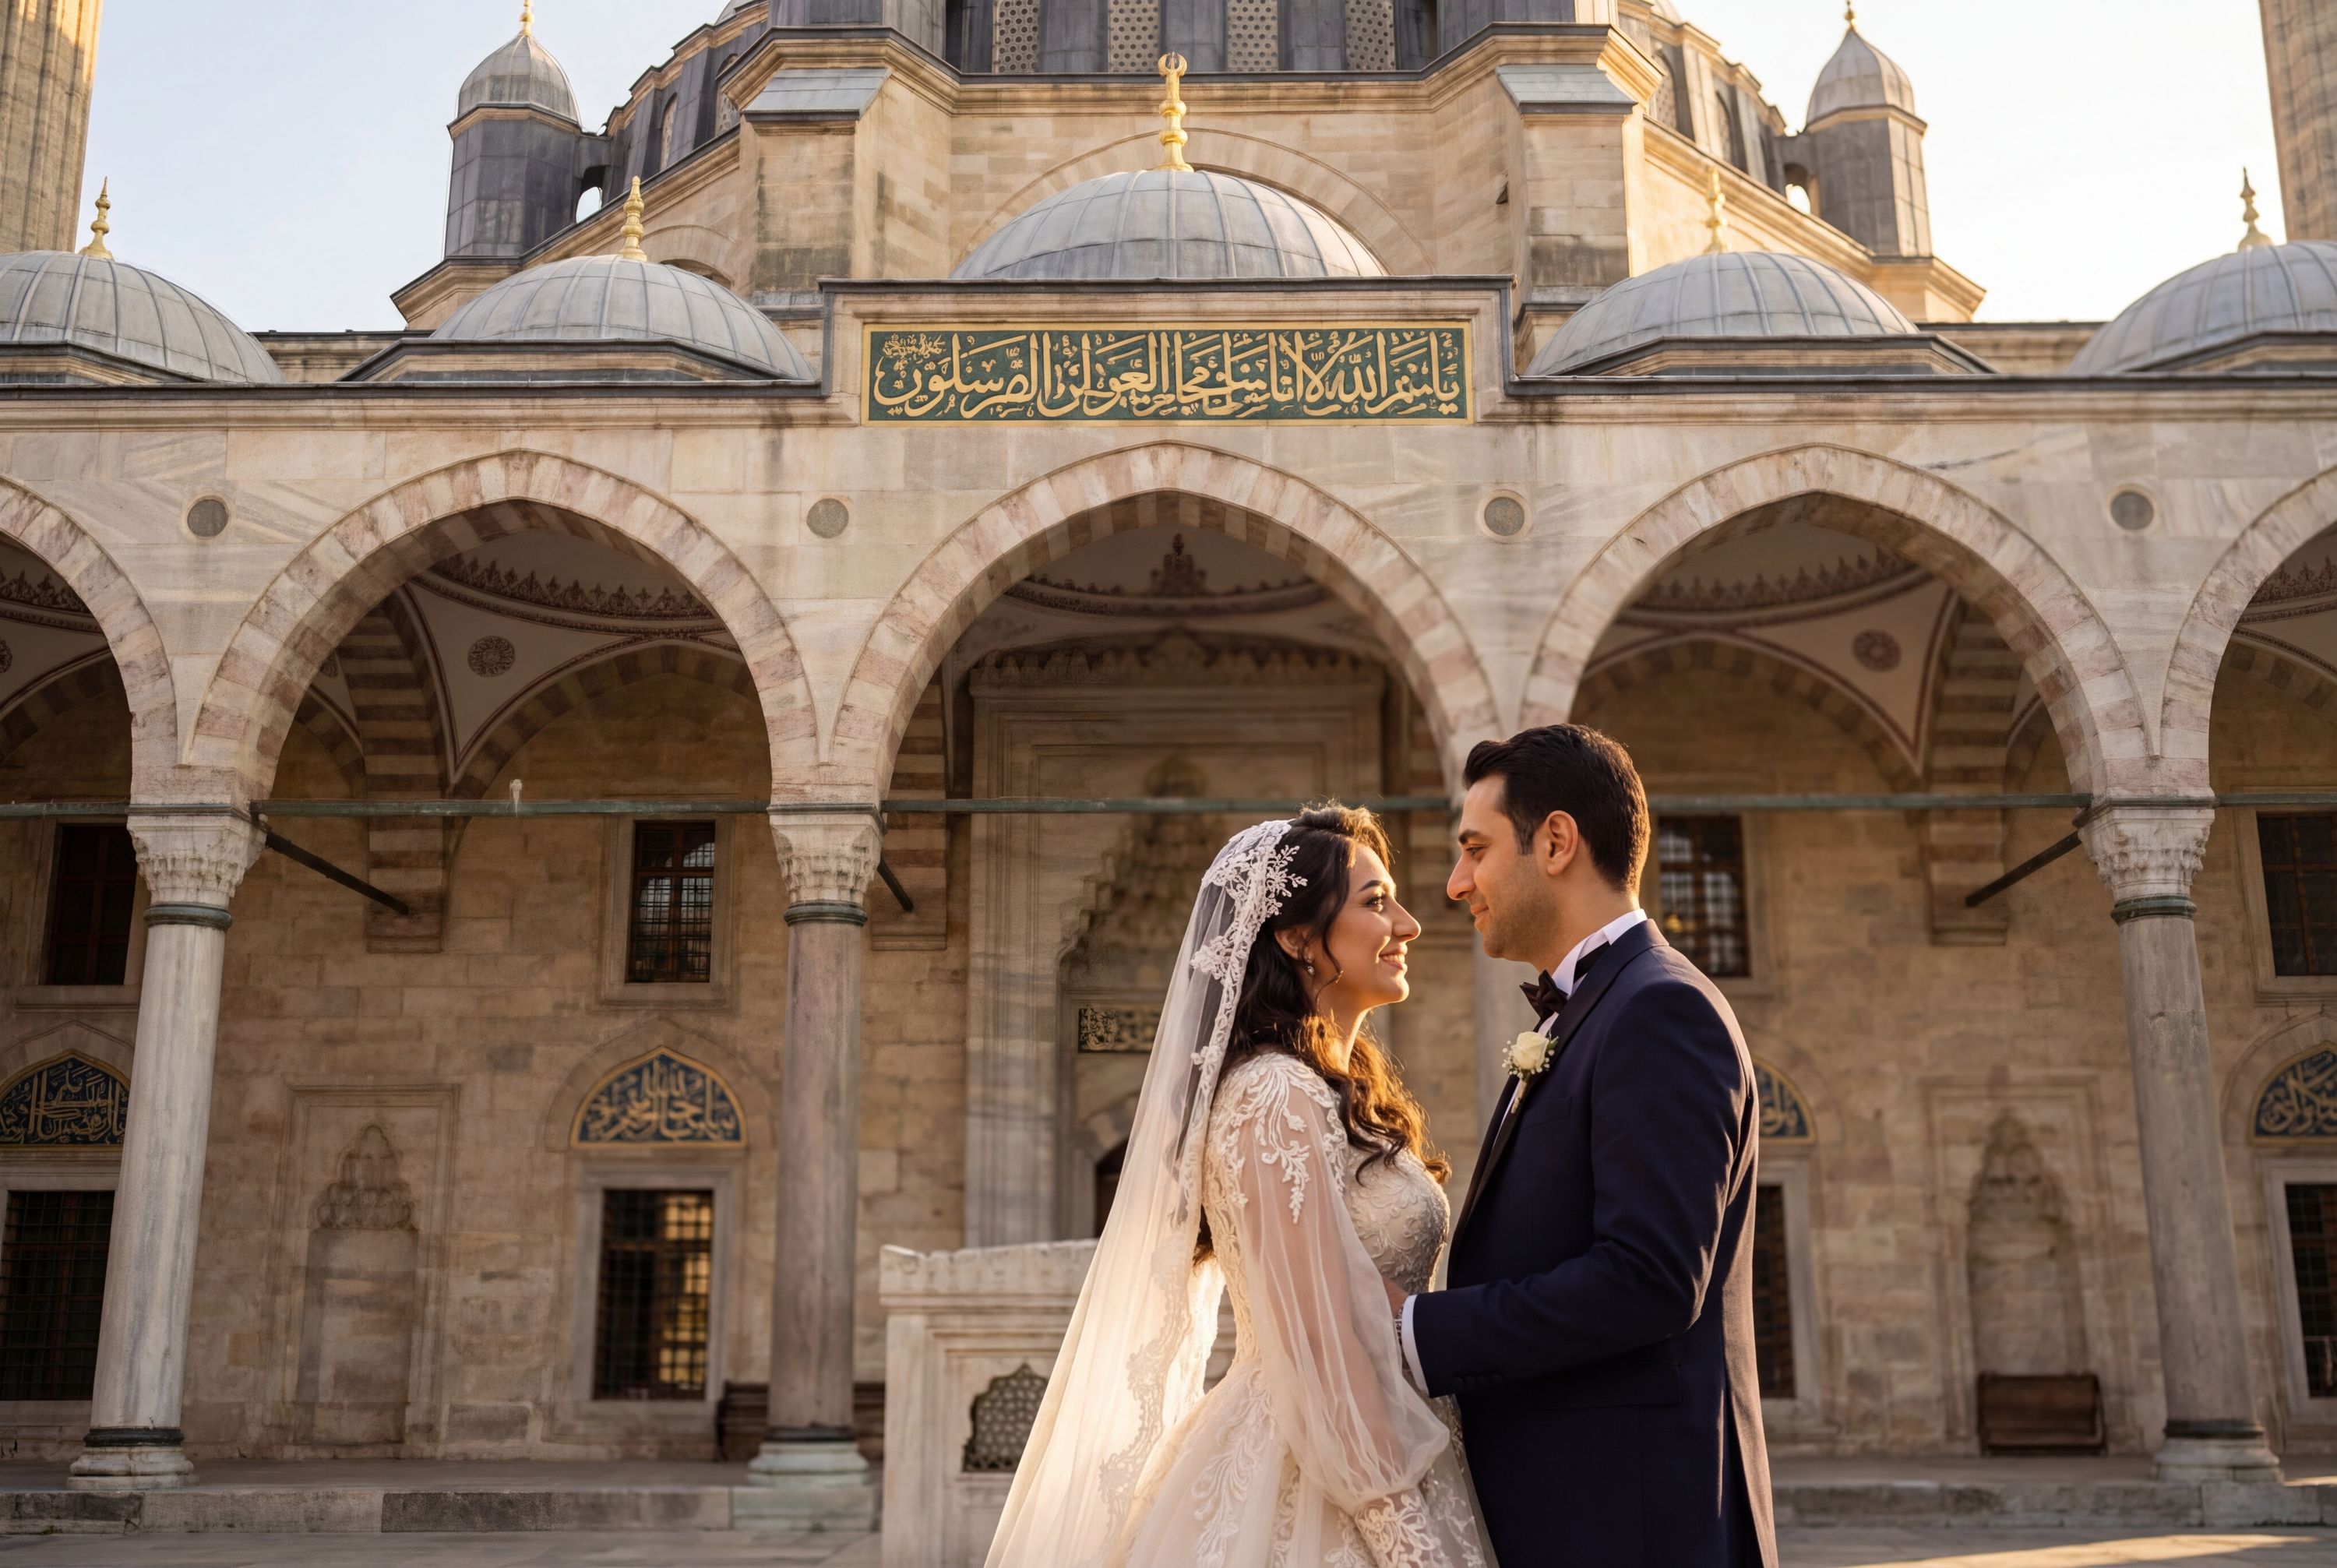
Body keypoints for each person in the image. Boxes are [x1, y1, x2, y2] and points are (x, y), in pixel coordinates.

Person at [988, 806, 1489, 1568]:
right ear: (1296, 937)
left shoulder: (1331, 1092)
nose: (1409, 924)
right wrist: (1409, 1544)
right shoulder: (1273, 1095)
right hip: (1325, 1472)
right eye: (1376, 901)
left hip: (1404, 1439)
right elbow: (1318, 1347)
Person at [1401, 724, 1777, 1566]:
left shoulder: (1660, 1010)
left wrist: (1419, 1332)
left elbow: (1650, 1279)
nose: (1457, 883)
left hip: (1631, 1525)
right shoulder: (1594, 1007)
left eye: (1475, 850)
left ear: (1556, 842)